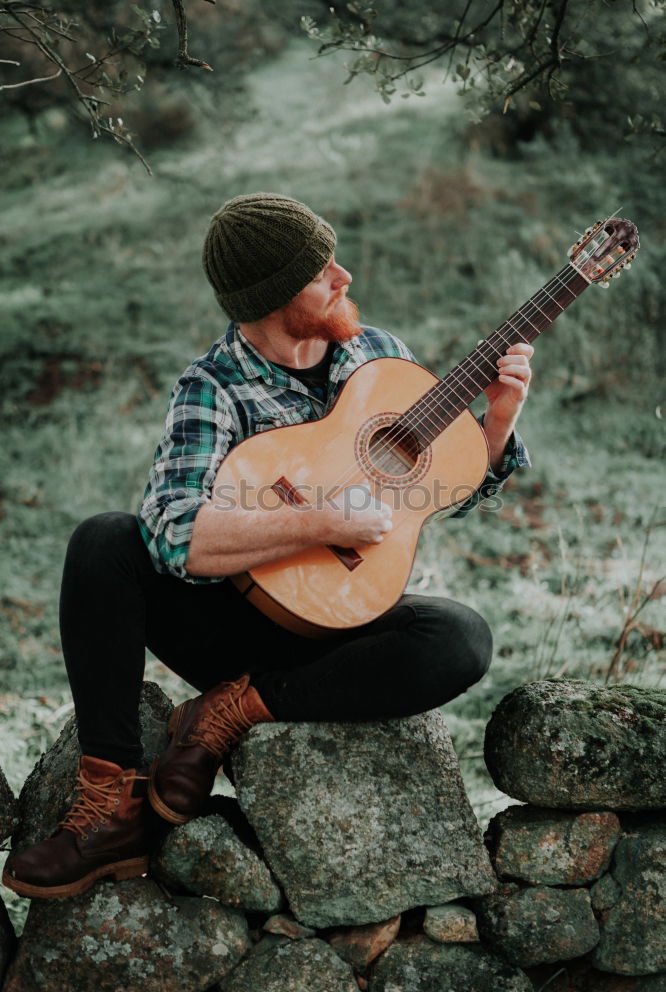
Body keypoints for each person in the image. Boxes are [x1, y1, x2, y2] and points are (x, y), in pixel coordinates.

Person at [3, 193, 532, 900]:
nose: (344, 276)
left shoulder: (381, 358)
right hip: (231, 618)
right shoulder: (212, 387)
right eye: (322, 272)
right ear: (276, 297)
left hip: (344, 628)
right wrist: (320, 524)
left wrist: (494, 426)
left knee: (461, 638)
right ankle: (109, 807)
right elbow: (172, 532)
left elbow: (439, 493)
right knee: (104, 541)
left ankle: (234, 710)